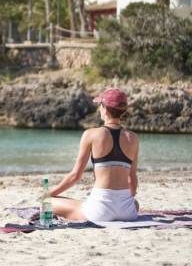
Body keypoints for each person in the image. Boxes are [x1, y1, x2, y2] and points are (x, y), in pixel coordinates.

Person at [49, 88, 139, 222]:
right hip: (127, 213)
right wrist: (125, 201)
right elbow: (132, 179)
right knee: (135, 203)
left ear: (104, 109)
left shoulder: (91, 134)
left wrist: (49, 194)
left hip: (99, 212)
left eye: (100, 105)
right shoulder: (133, 138)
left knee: (47, 202)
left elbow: (75, 176)